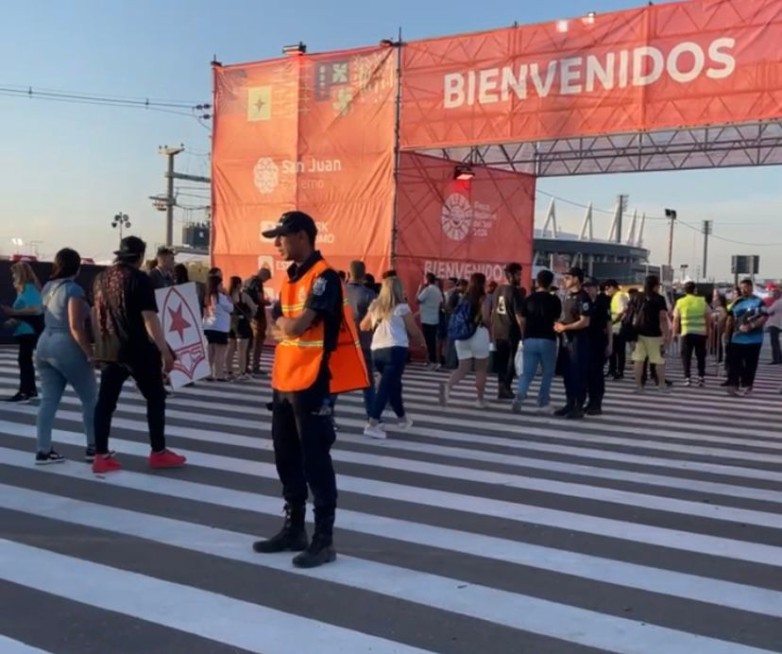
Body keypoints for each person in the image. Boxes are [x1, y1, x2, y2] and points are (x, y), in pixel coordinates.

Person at [253, 211, 368, 569]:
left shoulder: (324, 279)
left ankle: (323, 540)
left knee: (316, 461)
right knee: (285, 457)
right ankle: (294, 528)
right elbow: (279, 328)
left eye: (282, 237)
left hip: (313, 382)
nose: (277, 244)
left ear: (302, 236)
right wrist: (285, 326)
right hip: (284, 381)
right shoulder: (291, 280)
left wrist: (284, 326)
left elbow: (296, 325)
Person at [92, 236, 186, 474]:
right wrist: (165, 351)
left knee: (105, 403)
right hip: (137, 349)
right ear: (141, 256)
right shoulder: (138, 279)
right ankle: (158, 452)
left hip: (109, 348)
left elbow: (96, 313)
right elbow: (149, 318)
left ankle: (101, 455)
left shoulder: (100, 278)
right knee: (155, 398)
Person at [34, 248, 96, 464]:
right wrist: (90, 353)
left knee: (48, 400)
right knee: (90, 399)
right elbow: (76, 326)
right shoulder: (74, 290)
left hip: (44, 342)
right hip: (66, 344)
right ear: (77, 267)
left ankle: (43, 449)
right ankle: (93, 447)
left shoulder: (48, 287)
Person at [360, 275, 423, 439]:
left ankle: (402, 418)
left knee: (393, 385)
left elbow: (363, 325)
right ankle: (372, 423)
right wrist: (422, 343)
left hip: (377, 350)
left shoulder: (375, 306)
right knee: (385, 387)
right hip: (396, 349)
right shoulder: (402, 308)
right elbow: (414, 330)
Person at [512, 269, 561, 414]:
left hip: (530, 338)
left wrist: (523, 335)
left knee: (527, 372)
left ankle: (520, 394)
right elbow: (557, 319)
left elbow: (522, 319)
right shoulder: (554, 300)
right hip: (548, 339)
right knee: (548, 372)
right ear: (550, 283)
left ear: (537, 282)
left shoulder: (528, 298)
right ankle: (542, 401)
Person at [440, 273, 492, 408]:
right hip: (479, 334)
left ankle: (448, 386)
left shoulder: (464, 298)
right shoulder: (483, 298)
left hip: (462, 336)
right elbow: (486, 318)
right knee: (481, 369)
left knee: (463, 367)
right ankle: (480, 400)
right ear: (483, 283)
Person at [553, 267, 592, 419]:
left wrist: (565, 327)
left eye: (568, 277)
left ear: (576, 279)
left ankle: (578, 406)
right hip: (565, 340)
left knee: (578, 374)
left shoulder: (583, 298)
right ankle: (569, 402)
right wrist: (559, 325)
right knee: (567, 374)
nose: (565, 280)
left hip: (578, 341)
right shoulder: (568, 297)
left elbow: (585, 321)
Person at [2, 261, 42, 403]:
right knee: (24, 361)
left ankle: (26, 390)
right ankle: (28, 390)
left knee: (24, 361)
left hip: (28, 330)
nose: (12, 276)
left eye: (14, 273)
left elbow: (35, 309)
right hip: (24, 329)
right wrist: (13, 320)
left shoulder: (28, 289)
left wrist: (13, 312)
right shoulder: (25, 289)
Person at [725, 278, 768, 396]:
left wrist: (752, 326)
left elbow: (764, 317)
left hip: (754, 339)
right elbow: (730, 318)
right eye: (741, 288)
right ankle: (733, 384)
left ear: (751, 288)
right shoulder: (736, 302)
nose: (743, 290)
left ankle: (747, 385)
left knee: (750, 364)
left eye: (746, 287)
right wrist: (727, 334)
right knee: (735, 363)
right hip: (737, 338)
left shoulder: (759, 302)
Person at [346, 260, 378, 418]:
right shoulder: (368, 294)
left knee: (338, 379)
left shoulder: (340, 291)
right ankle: (372, 416)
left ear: (349, 272)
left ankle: (328, 414)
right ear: (364, 274)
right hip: (363, 341)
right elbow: (374, 320)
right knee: (368, 381)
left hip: (343, 342)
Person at [629, 275, 671, 393]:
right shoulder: (659, 299)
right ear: (656, 286)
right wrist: (666, 334)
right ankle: (661, 385)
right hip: (654, 334)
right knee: (658, 360)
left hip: (638, 333)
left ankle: (639, 386)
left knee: (638, 360)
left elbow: (630, 315)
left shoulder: (636, 297)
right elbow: (663, 318)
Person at [491, 263, 525, 400]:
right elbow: (519, 317)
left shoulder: (498, 289)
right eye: (517, 274)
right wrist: (524, 333)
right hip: (511, 330)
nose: (520, 277)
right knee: (511, 359)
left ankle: (501, 386)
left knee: (501, 360)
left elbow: (493, 311)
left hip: (499, 329)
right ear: (510, 275)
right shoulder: (514, 291)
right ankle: (506, 387)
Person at [673, 281, 710, 386]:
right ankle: (701, 377)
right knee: (701, 356)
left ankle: (687, 378)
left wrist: (674, 333)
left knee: (686, 357)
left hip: (686, 333)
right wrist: (708, 332)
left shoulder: (680, 302)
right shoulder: (702, 301)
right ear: (695, 290)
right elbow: (708, 318)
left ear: (685, 290)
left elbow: (676, 319)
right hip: (700, 333)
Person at [584, 279, 612, 415]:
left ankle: (597, 403)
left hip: (599, 340)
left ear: (596, 288)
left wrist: (610, 344)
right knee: (588, 373)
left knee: (597, 374)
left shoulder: (603, 302)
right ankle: (590, 401)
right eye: (586, 288)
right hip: (586, 340)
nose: (588, 290)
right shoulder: (585, 302)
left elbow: (608, 324)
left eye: (591, 287)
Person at [203, 268, 233, 381]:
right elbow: (231, 308)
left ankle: (209, 373)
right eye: (221, 284)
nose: (222, 286)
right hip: (220, 327)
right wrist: (228, 296)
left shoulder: (207, 297)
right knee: (220, 352)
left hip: (209, 326)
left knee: (210, 351)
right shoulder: (221, 297)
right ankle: (219, 374)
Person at [225, 275, 256, 380]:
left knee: (230, 348)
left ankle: (229, 371)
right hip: (242, 324)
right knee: (242, 350)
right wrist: (250, 316)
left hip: (229, 324)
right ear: (239, 284)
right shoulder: (243, 296)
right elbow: (253, 308)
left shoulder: (226, 296)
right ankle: (242, 372)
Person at [244, 267, 271, 376]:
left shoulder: (247, 281)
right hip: (258, 315)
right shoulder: (258, 282)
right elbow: (260, 298)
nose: (265, 281)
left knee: (248, 342)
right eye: (267, 279)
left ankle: (245, 366)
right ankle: (255, 366)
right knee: (258, 341)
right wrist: (268, 302)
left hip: (248, 315)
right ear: (263, 275)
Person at [416, 272, 444, 369]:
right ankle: (431, 360)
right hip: (434, 318)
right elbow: (441, 303)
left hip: (426, 318)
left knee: (428, 341)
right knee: (432, 340)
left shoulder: (427, 290)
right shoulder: (438, 290)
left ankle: (432, 360)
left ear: (427, 280)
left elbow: (418, 300)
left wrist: (419, 289)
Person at [604, 280, 629, 379]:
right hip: (614, 328)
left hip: (618, 328)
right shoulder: (615, 297)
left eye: (607, 288)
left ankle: (619, 371)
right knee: (613, 351)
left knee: (619, 351)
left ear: (612, 287)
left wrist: (613, 322)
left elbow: (622, 312)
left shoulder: (619, 296)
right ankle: (612, 369)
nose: (607, 291)